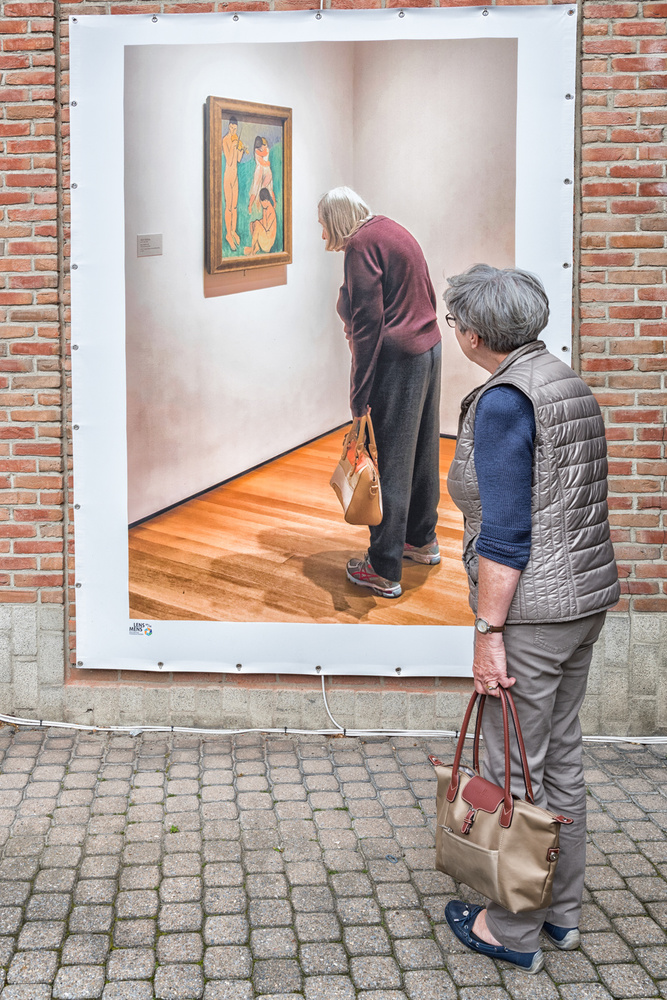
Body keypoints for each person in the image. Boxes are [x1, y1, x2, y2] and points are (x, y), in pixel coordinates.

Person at [443, 264, 620, 974]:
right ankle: (560, 914)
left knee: (513, 768)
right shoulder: (560, 379)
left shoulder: (505, 402)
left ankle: (512, 929)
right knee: (560, 758)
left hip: (532, 614)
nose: (453, 331)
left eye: (454, 322)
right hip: (581, 602)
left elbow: (507, 534)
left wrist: (489, 633)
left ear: (474, 333)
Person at [318, 186, 442, 599]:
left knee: (386, 461)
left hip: (398, 360)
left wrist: (359, 397)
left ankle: (384, 567)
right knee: (420, 451)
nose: (323, 235)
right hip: (428, 348)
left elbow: (367, 324)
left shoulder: (360, 245)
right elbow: (425, 293)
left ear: (337, 220)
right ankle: (420, 539)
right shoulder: (390, 230)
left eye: (323, 225)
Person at [222, 117, 247, 251]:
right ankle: (228, 234)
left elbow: (238, 159)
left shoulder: (236, 139)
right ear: (228, 126)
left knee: (235, 207)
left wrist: (241, 149)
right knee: (229, 208)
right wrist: (233, 146)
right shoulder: (225, 140)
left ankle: (233, 231)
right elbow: (230, 160)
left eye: (235, 129)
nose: (233, 131)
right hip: (228, 177)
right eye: (231, 128)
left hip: (235, 177)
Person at [244, 188, 277, 256]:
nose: (262, 204)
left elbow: (266, 227)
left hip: (268, 242)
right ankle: (256, 247)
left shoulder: (271, 211)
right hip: (264, 237)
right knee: (252, 224)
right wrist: (257, 223)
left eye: (262, 202)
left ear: (267, 200)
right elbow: (264, 222)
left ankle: (252, 250)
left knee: (257, 224)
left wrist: (258, 223)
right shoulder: (265, 208)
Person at [248, 136, 274, 214]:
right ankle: (251, 206)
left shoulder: (266, 150)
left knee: (267, 188)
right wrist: (267, 163)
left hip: (265, 171)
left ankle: (270, 204)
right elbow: (262, 161)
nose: (262, 147)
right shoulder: (257, 151)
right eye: (261, 146)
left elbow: (264, 154)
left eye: (263, 145)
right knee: (255, 189)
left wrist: (266, 163)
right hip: (259, 171)